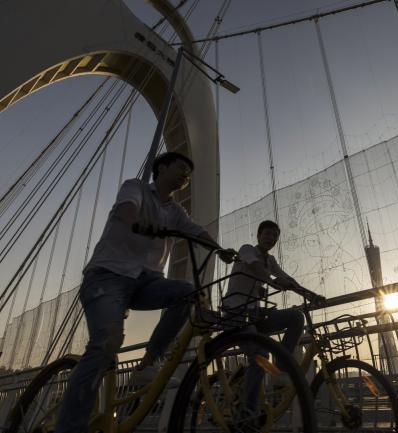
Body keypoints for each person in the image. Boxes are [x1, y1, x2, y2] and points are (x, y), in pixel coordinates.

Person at [55, 152, 235, 433]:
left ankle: (149, 362)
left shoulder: (176, 211)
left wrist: (219, 249)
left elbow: (194, 230)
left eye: (189, 172)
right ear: (161, 168)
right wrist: (138, 222)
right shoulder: (135, 187)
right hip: (108, 276)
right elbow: (127, 209)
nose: (186, 174)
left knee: (186, 293)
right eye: (181, 168)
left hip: (146, 282)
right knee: (106, 343)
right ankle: (69, 428)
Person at [222, 220, 324, 418]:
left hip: (254, 315)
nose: (271, 238)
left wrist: (311, 295)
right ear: (259, 235)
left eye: (275, 236)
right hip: (235, 314)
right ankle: (248, 412)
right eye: (268, 234)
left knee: (296, 317)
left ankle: (281, 371)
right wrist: (273, 282)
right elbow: (256, 267)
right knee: (260, 357)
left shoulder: (271, 261)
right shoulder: (247, 250)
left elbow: (288, 279)